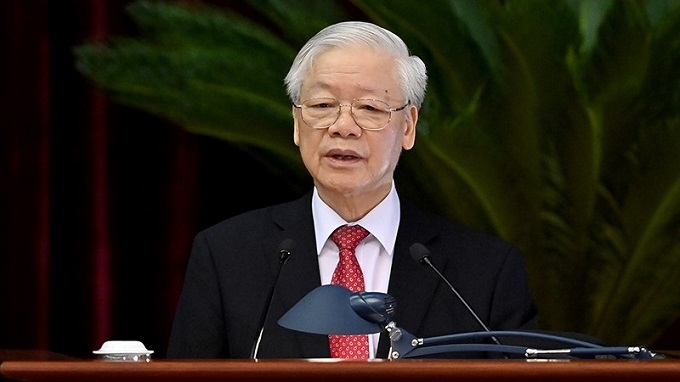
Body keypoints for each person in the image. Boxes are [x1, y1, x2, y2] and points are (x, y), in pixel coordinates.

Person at [166, 20, 538, 360]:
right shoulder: (227, 257)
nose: (343, 126)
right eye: (323, 105)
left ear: (408, 126)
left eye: (370, 108)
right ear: (297, 122)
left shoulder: (484, 270)